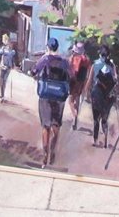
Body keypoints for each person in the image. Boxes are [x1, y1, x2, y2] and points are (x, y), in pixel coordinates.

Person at [32, 38, 71, 168]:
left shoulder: (45, 59)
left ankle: (45, 155)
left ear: (48, 47)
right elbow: (71, 76)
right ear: (57, 48)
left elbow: (34, 71)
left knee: (46, 127)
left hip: (45, 96)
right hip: (59, 97)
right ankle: (53, 150)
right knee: (56, 126)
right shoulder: (64, 62)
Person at [89, 49, 116, 147]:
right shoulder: (112, 65)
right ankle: (105, 136)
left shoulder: (95, 64)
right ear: (109, 55)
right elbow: (115, 79)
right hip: (107, 95)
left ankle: (95, 140)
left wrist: (87, 91)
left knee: (96, 118)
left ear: (100, 54)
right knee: (104, 117)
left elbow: (90, 80)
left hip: (96, 93)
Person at [66, 40, 91, 129]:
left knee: (70, 101)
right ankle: (74, 121)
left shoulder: (75, 58)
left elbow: (74, 71)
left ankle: (75, 114)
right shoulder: (86, 59)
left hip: (74, 82)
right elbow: (88, 72)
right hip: (82, 82)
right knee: (77, 100)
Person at [0, 33, 16, 102]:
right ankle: (2, 95)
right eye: (4, 40)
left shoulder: (10, 50)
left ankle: (2, 95)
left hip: (7, 67)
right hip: (2, 66)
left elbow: (12, 56)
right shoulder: (3, 48)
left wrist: (12, 65)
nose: (4, 41)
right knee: (1, 81)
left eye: (5, 40)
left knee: (3, 81)